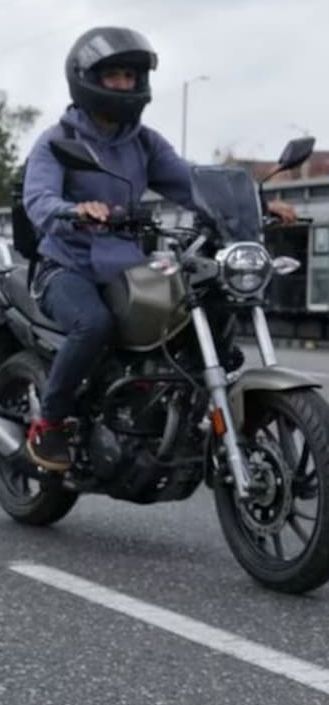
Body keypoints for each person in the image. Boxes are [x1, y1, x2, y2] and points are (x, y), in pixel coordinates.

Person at [21, 26, 295, 471]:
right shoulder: (57, 142)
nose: (124, 85)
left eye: (130, 76)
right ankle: (49, 424)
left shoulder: (143, 142)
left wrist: (256, 203)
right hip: (66, 265)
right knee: (92, 325)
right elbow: (39, 199)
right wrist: (74, 210)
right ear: (86, 78)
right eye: (113, 75)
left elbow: (192, 183)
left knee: (190, 309)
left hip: (126, 265)